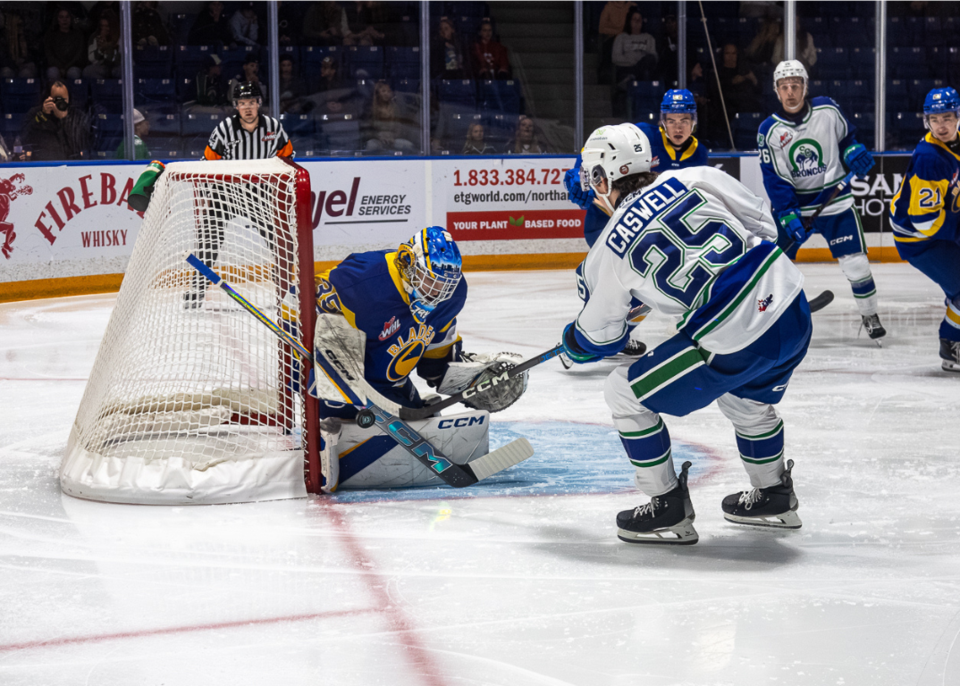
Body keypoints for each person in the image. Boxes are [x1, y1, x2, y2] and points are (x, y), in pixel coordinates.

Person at [561, 123, 811, 545]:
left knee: (623, 392)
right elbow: (764, 226)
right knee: (744, 396)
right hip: (791, 303)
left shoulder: (607, 248)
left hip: (733, 333)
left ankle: (666, 507)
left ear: (602, 178)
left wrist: (573, 341)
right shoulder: (693, 175)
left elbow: (599, 338)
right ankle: (773, 494)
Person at [309, 227, 527, 491]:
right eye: (431, 281)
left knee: (421, 418)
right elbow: (300, 297)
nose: (437, 293)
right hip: (337, 380)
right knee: (331, 380)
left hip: (389, 386)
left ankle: (373, 424)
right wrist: (317, 312)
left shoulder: (452, 296)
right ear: (408, 265)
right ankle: (323, 436)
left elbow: (434, 361)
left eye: (445, 285)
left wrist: (467, 382)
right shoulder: (365, 279)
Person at [757, 60, 885, 341]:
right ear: (776, 91)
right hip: (796, 209)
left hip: (835, 203)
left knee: (856, 264)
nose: (790, 92)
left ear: (805, 87)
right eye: (784, 87)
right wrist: (788, 213)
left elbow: (847, 138)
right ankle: (774, 317)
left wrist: (852, 152)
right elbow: (774, 178)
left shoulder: (827, 109)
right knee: (776, 266)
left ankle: (869, 314)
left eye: (795, 85)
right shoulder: (769, 130)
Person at [185, 82, 294, 307]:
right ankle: (196, 292)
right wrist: (208, 195)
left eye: (251, 102)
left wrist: (280, 191)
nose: (247, 108)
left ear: (259, 104)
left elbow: (288, 160)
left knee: (281, 242)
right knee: (208, 241)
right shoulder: (225, 129)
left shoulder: (273, 127)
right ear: (236, 106)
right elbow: (208, 163)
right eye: (242, 103)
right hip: (224, 194)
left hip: (259, 194)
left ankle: (286, 291)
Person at [565, 89, 708, 248]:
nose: (678, 128)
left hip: (654, 223)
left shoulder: (700, 153)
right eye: (671, 121)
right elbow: (599, 144)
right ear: (663, 120)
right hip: (608, 219)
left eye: (684, 121)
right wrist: (579, 173)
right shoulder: (643, 134)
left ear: (693, 122)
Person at [889, 87, 960, 372]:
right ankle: (951, 345)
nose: (941, 125)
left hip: (939, 228)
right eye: (935, 119)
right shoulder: (929, 158)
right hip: (919, 239)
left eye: (948, 117)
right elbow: (924, 222)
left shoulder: (955, 144)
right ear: (926, 122)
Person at [21, 81, 90, 161]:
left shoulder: (77, 116)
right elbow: (25, 139)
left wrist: (64, 119)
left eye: (63, 99)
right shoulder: (36, 113)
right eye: (56, 99)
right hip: (43, 164)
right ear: (48, 98)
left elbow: (80, 144)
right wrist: (43, 116)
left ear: (69, 99)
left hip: (71, 164)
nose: (60, 103)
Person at [364, 80, 415, 152]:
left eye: (388, 91)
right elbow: (366, 129)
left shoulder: (395, 108)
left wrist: (392, 137)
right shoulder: (371, 109)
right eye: (383, 91)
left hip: (393, 140)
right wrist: (378, 136)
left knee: (408, 145)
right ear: (377, 93)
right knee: (371, 146)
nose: (386, 94)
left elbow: (400, 127)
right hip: (377, 140)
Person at [611, 8, 657, 85]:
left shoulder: (649, 38)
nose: (637, 21)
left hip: (644, 68)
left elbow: (654, 56)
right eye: (634, 19)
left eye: (639, 19)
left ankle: (633, 76)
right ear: (629, 21)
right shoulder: (621, 37)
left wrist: (641, 62)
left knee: (650, 60)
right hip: (626, 67)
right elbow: (615, 57)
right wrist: (632, 61)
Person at [44, 7, 85, 81]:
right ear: (57, 19)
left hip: (73, 66)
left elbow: (79, 54)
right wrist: (60, 67)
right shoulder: (50, 34)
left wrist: (66, 67)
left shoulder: (78, 34)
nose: (64, 20)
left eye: (67, 17)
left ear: (71, 18)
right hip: (55, 66)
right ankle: (55, 92)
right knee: (52, 72)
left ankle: (73, 92)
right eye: (61, 17)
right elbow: (49, 54)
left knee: (73, 73)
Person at [83, 12, 122, 79]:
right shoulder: (94, 37)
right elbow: (92, 59)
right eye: (102, 26)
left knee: (121, 71)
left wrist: (108, 47)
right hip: (101, 67)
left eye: (107, 26)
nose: (104, 29)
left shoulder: (120, 36)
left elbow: (117, 60)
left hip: (116, 66)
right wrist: (101, 50)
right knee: (87, 71)